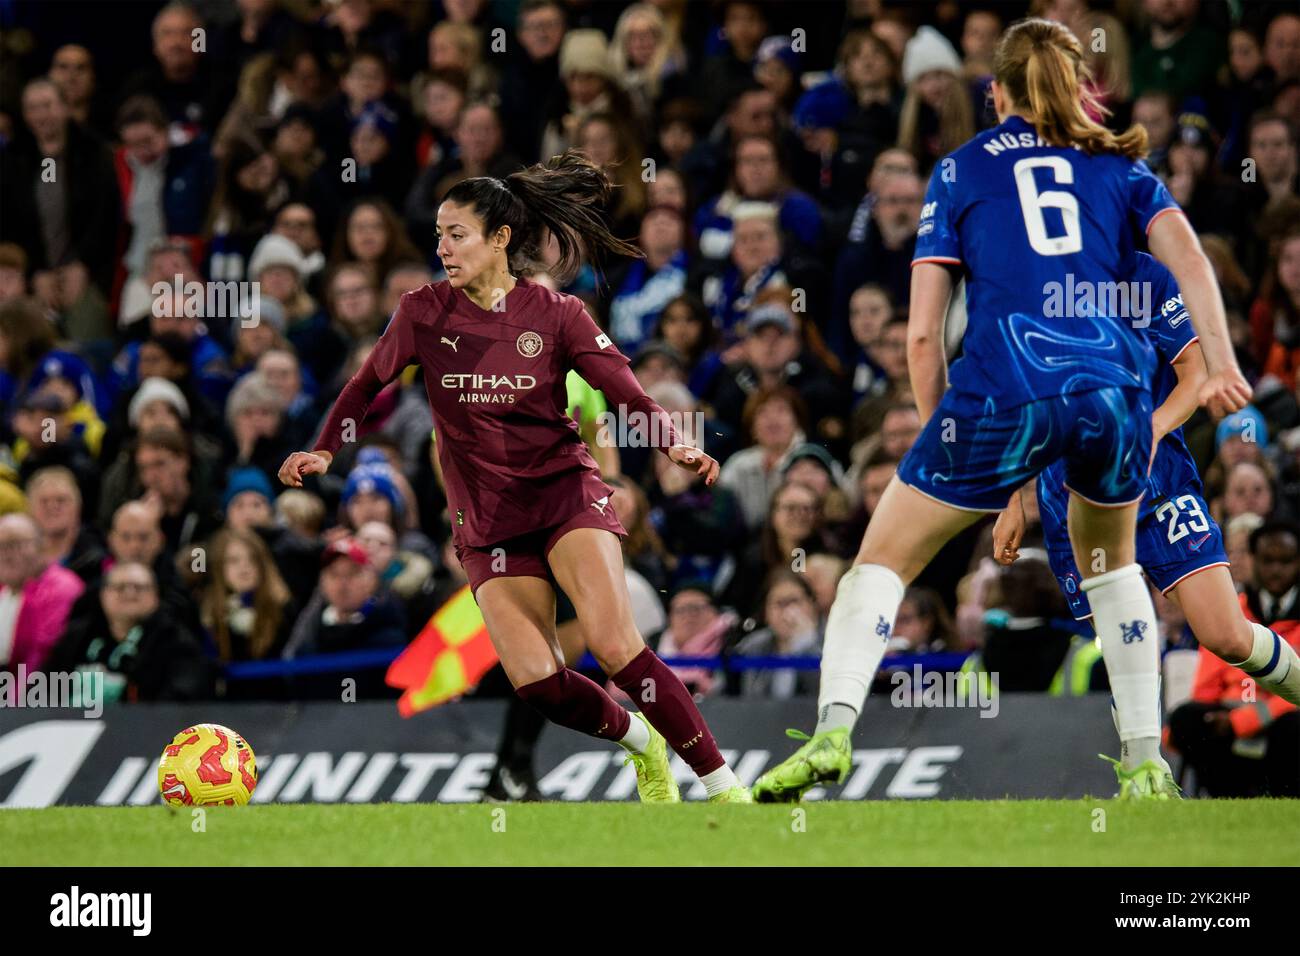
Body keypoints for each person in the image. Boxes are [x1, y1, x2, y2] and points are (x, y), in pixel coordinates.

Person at [755, 17, 1251, 803]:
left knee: (879, 564)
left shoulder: (960, 168)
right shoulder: (1117, 164)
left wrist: (939, 445)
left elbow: (922, 336)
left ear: (997, 94)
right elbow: (1187, 254)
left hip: (1004, 388)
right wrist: (1220, 359)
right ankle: (1145, 764)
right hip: (1115, 395)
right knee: (1114, 571)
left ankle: (831, 734)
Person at [279, 150, 751, 803]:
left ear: (500, 238)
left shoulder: (558, 316)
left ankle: (726, 789)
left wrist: (674, 443)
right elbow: (366, 385)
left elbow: (627, 393)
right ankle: (638, 742)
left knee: (616, 646)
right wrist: (325, 449)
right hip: (489, 522)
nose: (441, 247)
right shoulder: (422, 312)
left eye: (456, 234)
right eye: (438, 234)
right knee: (536, 681)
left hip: (566, 498)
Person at [994, 254, 1300, 712]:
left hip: (1158, 487)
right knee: (1124, 645)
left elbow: (1194, 376)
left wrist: (1150, 432)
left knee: (1227, 636)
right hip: (1070, 497)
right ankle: (1144, 772)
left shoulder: (1144, 275)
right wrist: (1012, 498)